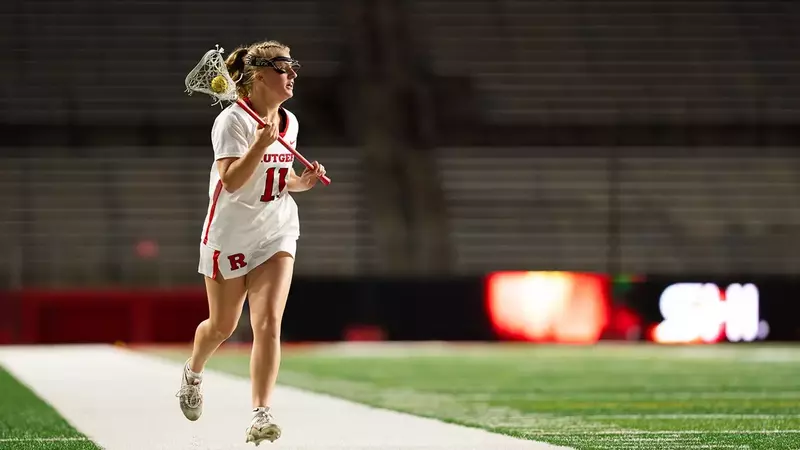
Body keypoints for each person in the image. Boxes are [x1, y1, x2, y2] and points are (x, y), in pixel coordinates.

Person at [176, 40, 326, 446]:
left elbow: (277, 179)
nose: (292, 74)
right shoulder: (232, 122)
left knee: (267, 324)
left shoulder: (289, 121)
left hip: (276, 230)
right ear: (258, 75)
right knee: (222, 327)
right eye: (283, 67)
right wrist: (260, 144)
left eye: (293, 66)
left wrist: (301, 183)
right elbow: (232, 180)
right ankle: (193, 372)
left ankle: (261, 413)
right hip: (229, 235)